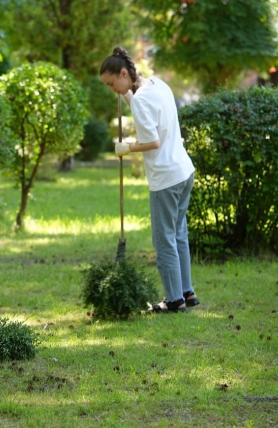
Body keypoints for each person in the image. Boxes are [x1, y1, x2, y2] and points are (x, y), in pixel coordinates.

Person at [99, 47, 200, 313]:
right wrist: (128, 93)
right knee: (178, 235)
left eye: (112, 83)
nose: (112, 90)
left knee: (164, 240)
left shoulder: (141, 99)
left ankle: (174, 300)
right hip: (183, 171)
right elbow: (146, 110)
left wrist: (127, 148)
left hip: (165, 180)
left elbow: (152, 142)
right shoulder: (158, 85)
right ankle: (187, 292)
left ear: (123, 73)